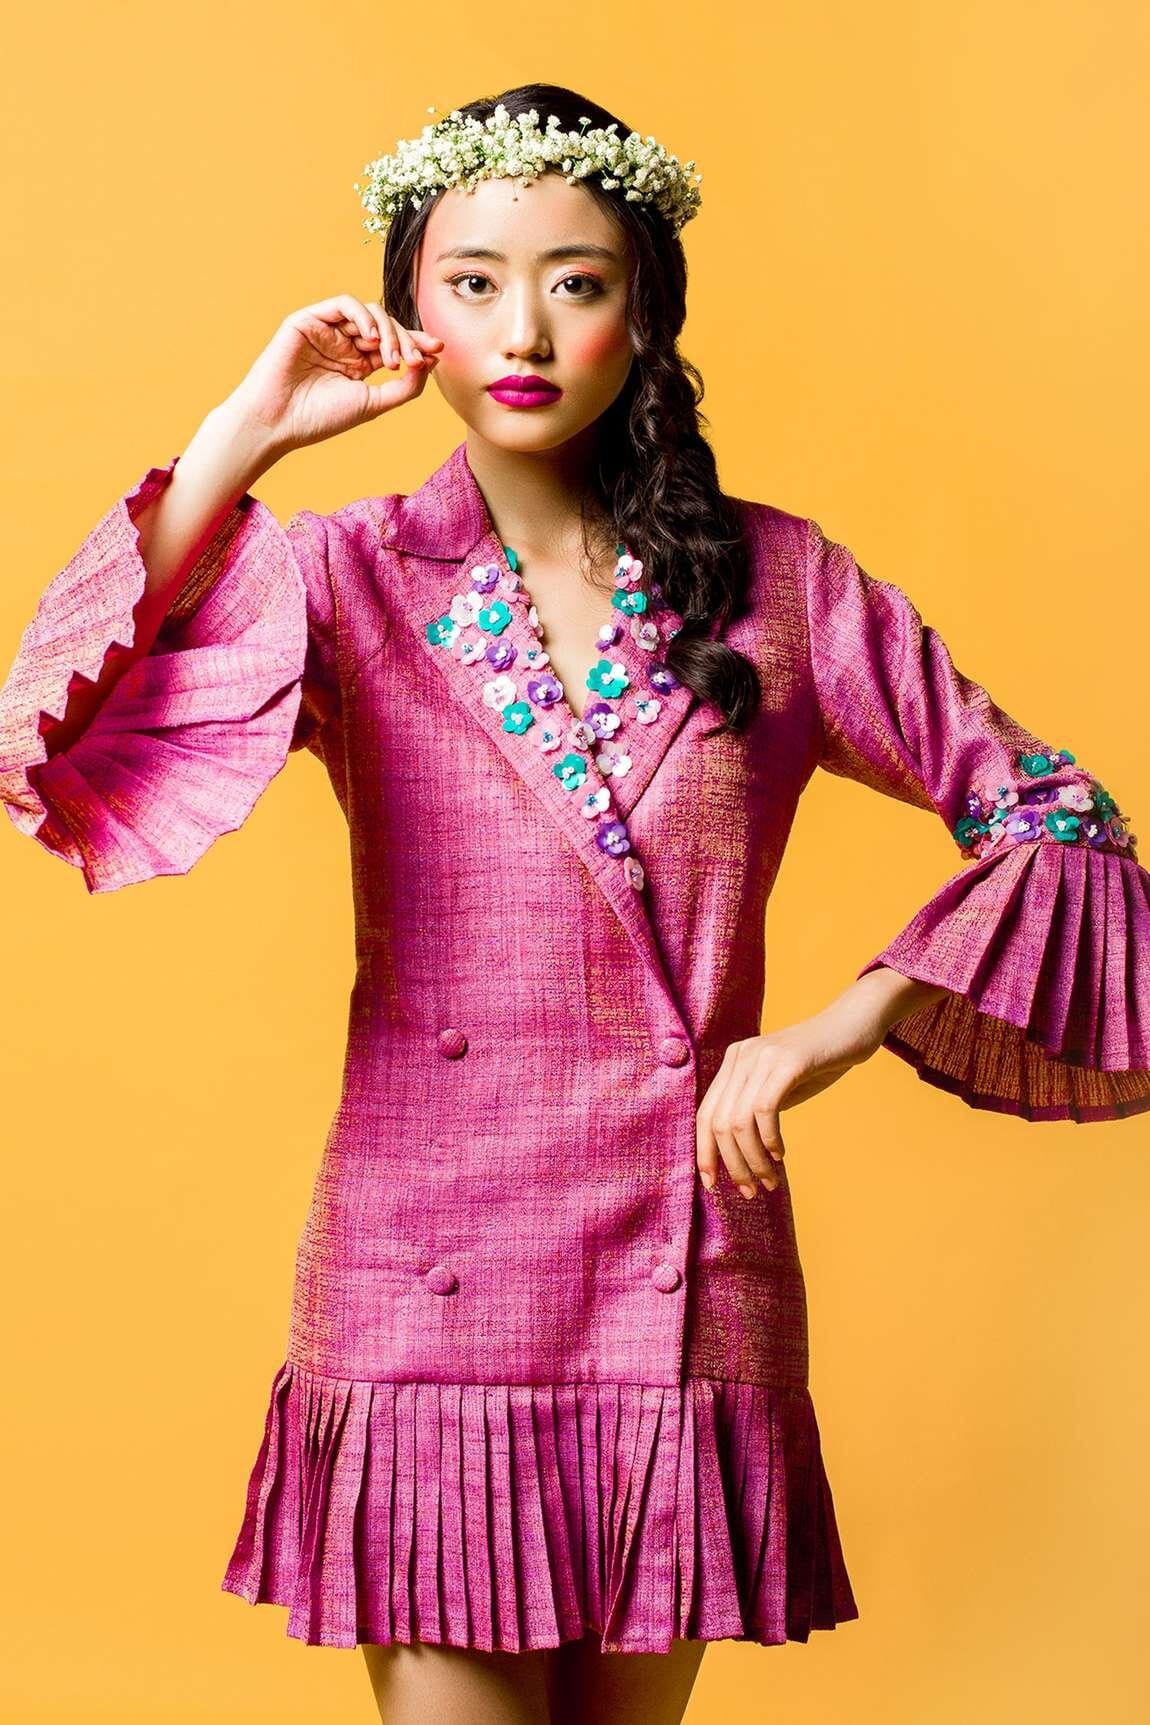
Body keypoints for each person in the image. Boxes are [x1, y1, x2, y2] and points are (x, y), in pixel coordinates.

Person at [1, 81, 1147, 1725]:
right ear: (411, 314)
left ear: (643, 312)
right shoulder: (344, 572)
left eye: (575, 280)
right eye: (471, 282)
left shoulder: (782, 585)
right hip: (421, 1266)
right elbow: (54, 734)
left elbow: (1059, 821)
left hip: (681, 1270)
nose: (522, 329)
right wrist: (249, 428)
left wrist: (824, 1034)